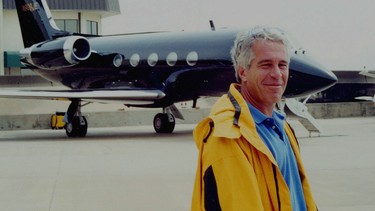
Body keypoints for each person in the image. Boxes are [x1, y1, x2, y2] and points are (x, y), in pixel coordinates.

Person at [191, 26, 317, 211]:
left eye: (282, 65)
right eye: (265, 65)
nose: (277, 74)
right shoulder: (227, 135)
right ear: (243, 72)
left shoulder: (283, 126)